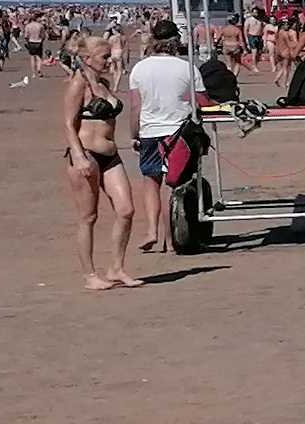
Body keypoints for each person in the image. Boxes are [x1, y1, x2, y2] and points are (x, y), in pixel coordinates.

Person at [59, 36, 139, 292]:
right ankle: (90, 275)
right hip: (86, 155)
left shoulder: (103, 83)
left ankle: (116, 267)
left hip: (110, 155)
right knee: (88, 217)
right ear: (87, 59)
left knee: (126, 210)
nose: (109, 60)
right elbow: (68, 124)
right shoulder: (78, 84)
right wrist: (79, 156)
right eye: (104, 57)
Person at [122, 18, 204, 253]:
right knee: (173, 183)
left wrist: (134, 134)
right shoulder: (187, 67)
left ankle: (151, 230)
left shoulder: (140, 68)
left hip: (150, 130)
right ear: (176, 40)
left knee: (151, 181)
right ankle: (170, 237)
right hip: (178, 131)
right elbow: (200, 100)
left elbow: (135, 106)